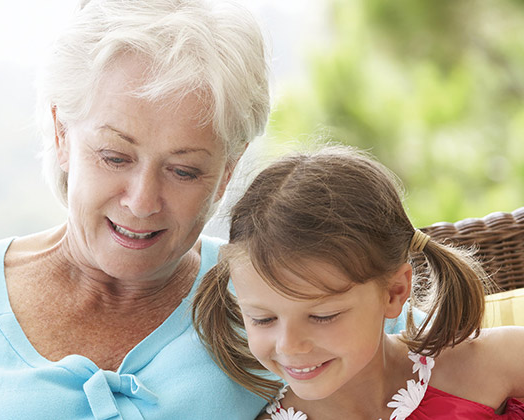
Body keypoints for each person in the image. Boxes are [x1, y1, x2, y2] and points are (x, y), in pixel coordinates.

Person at [0, 0, 273, 418]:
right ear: (62, 133)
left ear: (227, 172)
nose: (141, 202)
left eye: (183, 170)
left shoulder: (275, 298)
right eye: (114, 157)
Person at [192, 146, 524, 419]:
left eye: (322, 316)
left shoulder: (496, 363)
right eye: (263, 319)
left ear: (394, 293)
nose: (289, 345)